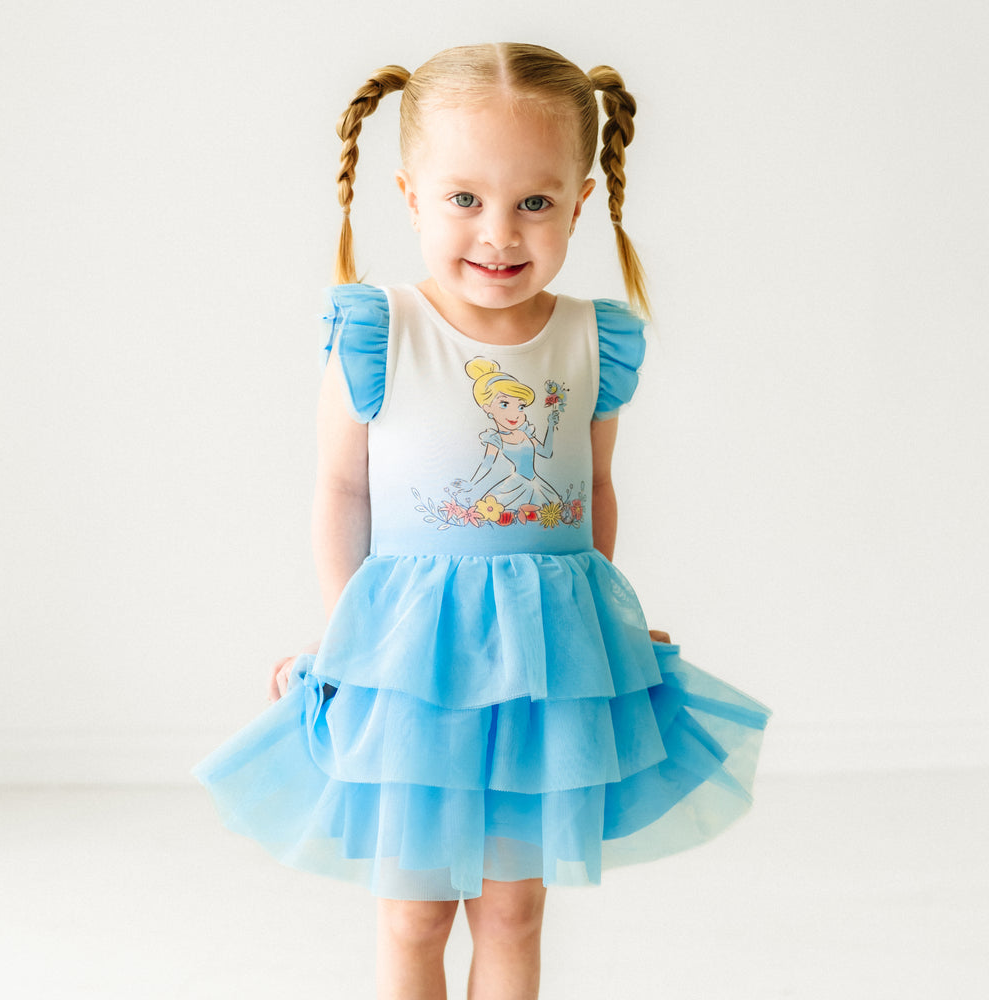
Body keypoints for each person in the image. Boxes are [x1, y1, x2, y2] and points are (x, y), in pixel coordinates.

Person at [194, 43, 770, 1000]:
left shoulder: (594, 339)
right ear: (411, 194)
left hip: (543, 669)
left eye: (534, 203)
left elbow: (592, 493)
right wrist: (347, 633)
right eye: (464, 198)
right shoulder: (380, 328)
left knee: (513, 907)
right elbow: (343, 490)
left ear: (579, 202)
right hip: (414, 664)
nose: (499, 233)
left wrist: (607, 629)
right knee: (414, 912)